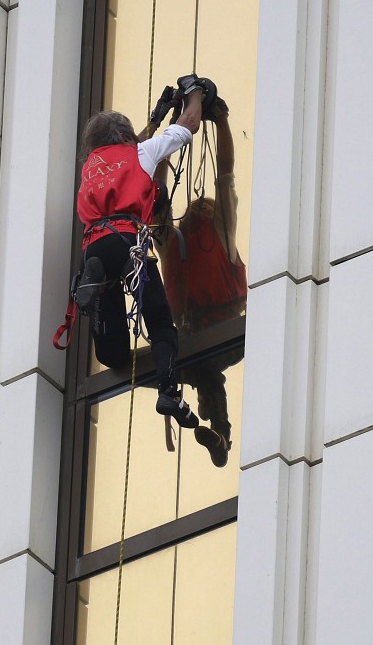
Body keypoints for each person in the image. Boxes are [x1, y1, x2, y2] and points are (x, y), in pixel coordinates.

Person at [72, 75, 206, 428]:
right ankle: (168, 391)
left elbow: (127, 157)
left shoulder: (90, 169)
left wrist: (155, 118)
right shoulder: (140, 153)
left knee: (113, 355)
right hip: (127, 243)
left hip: (94, 246)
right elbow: (187, 126)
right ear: (126, 137)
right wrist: (197, 93)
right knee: (161, 321)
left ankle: (95, 282)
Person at [149, 83, 248, 467]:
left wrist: (215, 121)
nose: (198, 208)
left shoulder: (201, 236)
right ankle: (219, 431)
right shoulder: (176, 240)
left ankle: (216, 426)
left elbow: (224, 174)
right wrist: (180, 134)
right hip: (214, 342)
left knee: (202, 373)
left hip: (217, 340)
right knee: (206, 375)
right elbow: (158, 196)